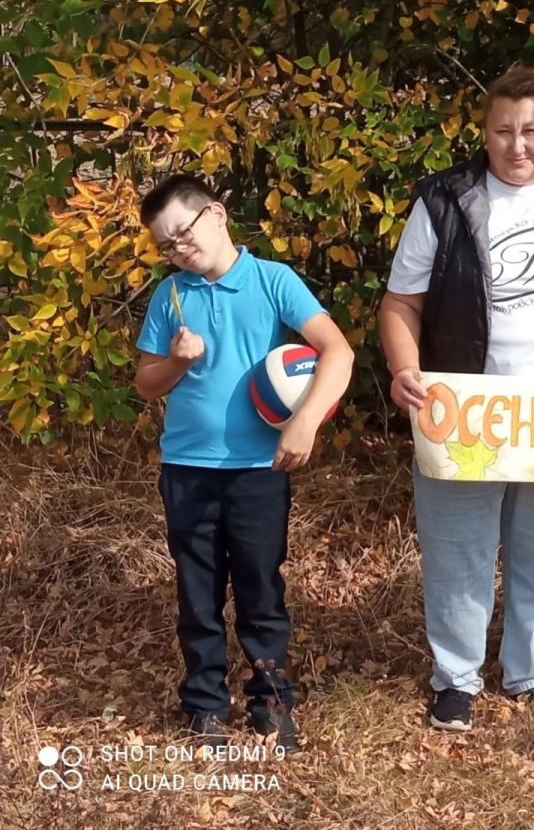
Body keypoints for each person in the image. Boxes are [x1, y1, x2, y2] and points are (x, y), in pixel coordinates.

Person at [379, 65, 534, 732]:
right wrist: (404, 369)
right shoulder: (445, 201)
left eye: (531, 131)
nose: (517, 146)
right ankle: (455, 679)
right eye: (503, 131)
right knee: (460, 547)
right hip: (465, 410)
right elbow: (400, 302)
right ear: (484, 133)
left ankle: (527, 668)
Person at [134, 174, 353, 751]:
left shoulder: (272, 280)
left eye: (183, 233)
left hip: (259, 469)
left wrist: (305, 420)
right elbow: (145, 384)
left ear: (217, 213)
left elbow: (339, 351)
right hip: (187, 468)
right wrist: (178, 363)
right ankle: (206, 705)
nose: (179, 250)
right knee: (198, 590)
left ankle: (272, 700)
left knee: (260, 585)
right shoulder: (171, 296)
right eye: (167, 245)